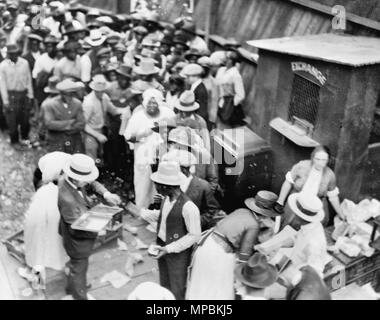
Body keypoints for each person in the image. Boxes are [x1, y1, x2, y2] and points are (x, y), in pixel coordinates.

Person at [58, 153, 121, 300]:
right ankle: (79, 294)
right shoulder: (67, 199)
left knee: (76, 266)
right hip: (76, 240)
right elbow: (76, 229)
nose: (89, 182)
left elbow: (92, 182)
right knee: (79, 267)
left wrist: (106, 194)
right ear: (75, 178)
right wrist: (100, 228)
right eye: (85, 180)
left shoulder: (70, 178)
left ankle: (71, 286)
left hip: (74, 230)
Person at [141, 161, 201, 300]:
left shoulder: (189, 208)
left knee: (177, 286)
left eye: (157, 184)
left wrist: (169, 248)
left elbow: (194, 235)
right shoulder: (166, 199)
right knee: (165, 283)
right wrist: (142, 213)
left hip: (177, 254)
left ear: (166, 186)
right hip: (162, 246)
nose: (155, 187)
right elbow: (164, 215)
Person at [186, 201, 260, 299]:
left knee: (201, 282)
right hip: (220, 252)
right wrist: (241, 272)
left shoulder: (241, 211)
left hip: (207, 243)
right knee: (220, 286)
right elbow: (245, 251)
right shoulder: (254, 224)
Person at [22, 152, 72, 287]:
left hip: (46, 222)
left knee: (45, 244)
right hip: (49, 221)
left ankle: (45, 266)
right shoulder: (50, 191)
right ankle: (47, 268)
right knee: (50, 244)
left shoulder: (47, 189)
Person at [124, 88, 175, 209]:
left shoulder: (168, 114)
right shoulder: (137, 117)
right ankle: (142, 210)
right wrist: (143, 134)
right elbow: (128, 137)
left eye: (154, 103)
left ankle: (162, 210)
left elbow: (175, 132)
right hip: (143, 156)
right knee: (142, 183)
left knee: (163, 183)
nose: (152, 105)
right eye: (149, 103)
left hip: (163, 155)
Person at [275, 146, 343, 226]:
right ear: (312, 158)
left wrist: (341, 214)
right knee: (289, 226)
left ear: (328, 160)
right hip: (296, 202)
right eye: (317, 159)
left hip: (314, 209)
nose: (320, 163)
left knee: (309, 231)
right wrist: (280, 201)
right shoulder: (301, 166)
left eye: (324, 160)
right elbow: (288, 182)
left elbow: (333, 197)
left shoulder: (330, 175)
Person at [162, 149, 221, 231]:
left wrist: (194, 222)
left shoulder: (203, 186)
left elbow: (212, 211)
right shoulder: (171, 184)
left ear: (183, 170)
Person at [82, 74, 125, 161]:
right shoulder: (88, 103)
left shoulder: (105, 97)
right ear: (93, 89)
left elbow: (113, 110)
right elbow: (83, 124)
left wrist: (124, 111)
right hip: (91, 133)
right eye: (98, 91)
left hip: (102, 130)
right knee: (91, 158)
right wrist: (97, 135)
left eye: (102, 91)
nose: (100, 93)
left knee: (103, 156)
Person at [0, 43, 33, 146]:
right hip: (11, 95)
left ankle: (24, 137)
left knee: (25, 118)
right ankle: (14, 140)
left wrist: (30, 95)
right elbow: (2, 84)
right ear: (8, 54)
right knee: (11, 119)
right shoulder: (3, 65)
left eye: (15, 53)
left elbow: (28, 79)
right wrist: (5, 101)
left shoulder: (24, 63)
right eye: (11, 54)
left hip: (23, 93)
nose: (13, 55)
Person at [43, 79, 85, 154]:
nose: (70, 97)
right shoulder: (49, 105)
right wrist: (70, 123)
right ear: (61, 94)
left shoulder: (77, 103)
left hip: (74, 139)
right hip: (56, 140)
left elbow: (81, 123)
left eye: (72, 94)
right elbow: (49, 124)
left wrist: (61, 126)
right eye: (67, 94)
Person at [215, 50, 245, 127]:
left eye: (228, 58)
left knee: (224, 127)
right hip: (217, 101)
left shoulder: (235, 75)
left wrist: (230, 105)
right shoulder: (221, 70)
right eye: (226, 57)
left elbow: (241, 95)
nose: (226, 60)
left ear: (233, 61)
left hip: (227, 105)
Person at [32, 35, 59, 106]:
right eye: (48, 46)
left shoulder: (60, 58)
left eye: (52, 46)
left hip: (58, 89)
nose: (50, 48)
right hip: (44, 90)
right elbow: (35, 77)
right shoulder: (41, 59)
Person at [198, 56, 219, 131]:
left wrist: (211, 120)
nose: (202, 70)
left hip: (205, 115)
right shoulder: (196, 78)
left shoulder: (213, 82)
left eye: (205, 68)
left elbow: (214, 102)